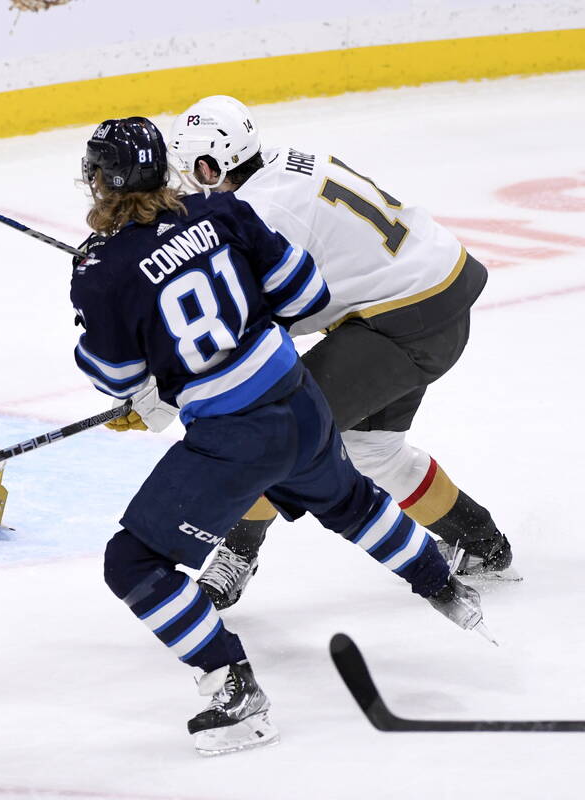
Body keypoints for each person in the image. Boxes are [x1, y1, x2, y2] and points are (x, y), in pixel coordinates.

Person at [73, 117, 489, 756]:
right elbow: (303, 292)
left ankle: (236, 694)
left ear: (102, 182)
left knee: (130, 562)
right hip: (301, 403)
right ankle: (444, 585)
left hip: (235, 436)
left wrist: (141, 328)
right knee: (350, 501)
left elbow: (118, 375)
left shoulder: (99, 268)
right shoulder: (222, 209)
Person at [166, 96, 515, 610]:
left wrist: (162, 388)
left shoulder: (263, 215)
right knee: (374, 452)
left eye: (187, 171)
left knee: (269, 430)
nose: (183, 186)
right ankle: (482, 544)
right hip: (430, 293)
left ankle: (238, 551)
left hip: (402, 321)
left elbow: (260, 329)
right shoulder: (280, 164)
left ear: (208, 167)